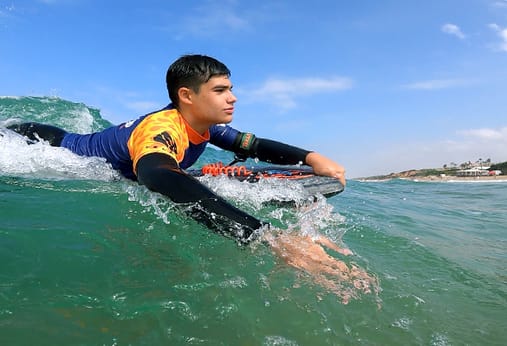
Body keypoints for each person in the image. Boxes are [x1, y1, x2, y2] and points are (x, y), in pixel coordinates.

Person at [9, 55, 377, 301]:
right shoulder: (162, 129)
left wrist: (312, 157)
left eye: (231, 88)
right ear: (187, 96)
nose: (232, 98)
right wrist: (267, 238)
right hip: (52, 144)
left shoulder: (203, 125)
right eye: (220, 90)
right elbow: (159, 175)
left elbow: (253, 144)